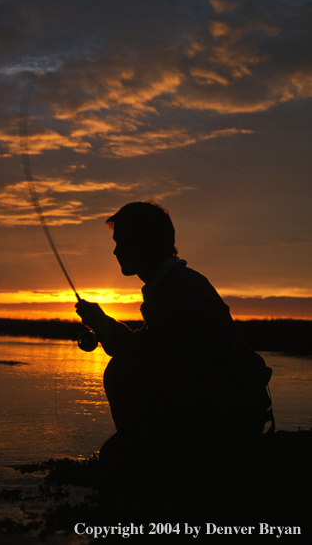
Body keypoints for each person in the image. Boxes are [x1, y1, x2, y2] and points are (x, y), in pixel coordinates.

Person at [76, 201, 273, 524]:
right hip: (225, 407)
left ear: (145, 244)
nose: (115, 252)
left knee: (121, 385)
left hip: (229, 416)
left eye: (122, 242)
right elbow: (153, 346)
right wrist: (102, 324)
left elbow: (152, 355)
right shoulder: (170, 285)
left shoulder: (178, 289)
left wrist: (101, 323)